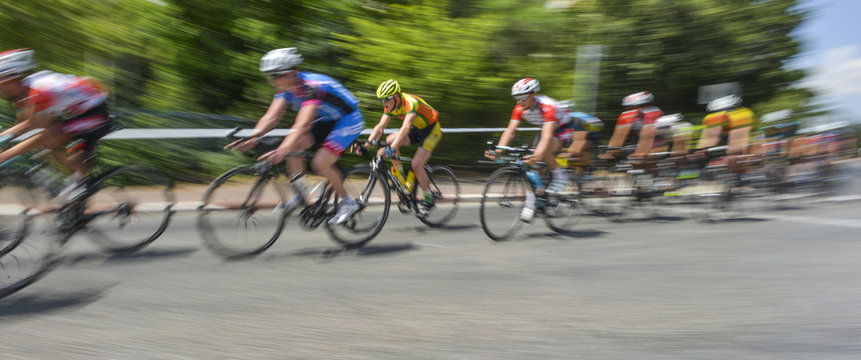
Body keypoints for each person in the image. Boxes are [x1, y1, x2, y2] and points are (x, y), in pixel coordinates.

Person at [226, 47, 365, 225]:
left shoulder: (311, 88)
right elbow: (271, 117)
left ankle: (348, 203)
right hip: (328, 119)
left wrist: (281, 151)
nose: (274, 80)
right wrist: (253, 138)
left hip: (349, 119)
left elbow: (301, 125)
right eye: (271, 76)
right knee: (294, 148)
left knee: (319, 164)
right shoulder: (285, 88)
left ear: (293, 72)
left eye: (278, 75)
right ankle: (301, 195)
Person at [0, 48, 112, 198]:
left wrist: (5, 155)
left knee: (48, 136)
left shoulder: (40, 89)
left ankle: (78, 183)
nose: (2, 88)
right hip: (81, 112)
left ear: (17, 77)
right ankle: (78, 182)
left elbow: (37, 127)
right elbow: (24, 123)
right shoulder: (27, 88)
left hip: (96, 113)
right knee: (47, 145)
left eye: (4, 83)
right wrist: (3, 137)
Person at [485, 78, 573, 222]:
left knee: (542, 151)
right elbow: (510, 131)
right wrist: (499, 151)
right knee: (530, 166)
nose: (519, 102)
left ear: (533, 94)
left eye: (523, 98)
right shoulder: (519, 108)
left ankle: (560, 176)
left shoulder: (547, 106)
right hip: (545, 128)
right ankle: (532, 203)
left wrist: (538, 154)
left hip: (562, 129)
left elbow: (546, 137)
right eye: (516, 98)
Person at [366, 79, 442, 217]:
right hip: (418, 129)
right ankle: (402, 182)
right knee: (389, 139)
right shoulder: (390, 105)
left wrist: (391, 148)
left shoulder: (410, 103)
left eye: (385, 99)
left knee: (416, 164)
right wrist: (367, 143)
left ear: (395, 96)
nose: (383, 103)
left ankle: (428, 198)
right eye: (381, 100)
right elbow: (380, 127)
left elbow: (406, 128)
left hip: (432, 130)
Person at [599, 91, 664, 160]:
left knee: (645, 159)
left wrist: (641, 152)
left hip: (658, 137)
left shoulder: (653, 112)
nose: (634, 110)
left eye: (640, 106)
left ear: (647, 105)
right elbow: (619, 135)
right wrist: (610, 153)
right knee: (631, 158)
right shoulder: (626, 115)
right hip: (638, 138)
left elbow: (648, 135)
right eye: (630, 108)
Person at [557, 100, 604, 171]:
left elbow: (580, 141)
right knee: (578, 152)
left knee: (573, 152)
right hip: (591, 128)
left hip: (592, 130)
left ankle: (591, 168)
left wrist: (569, 154)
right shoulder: (570, 117)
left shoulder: (575, 119)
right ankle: (590, 168)